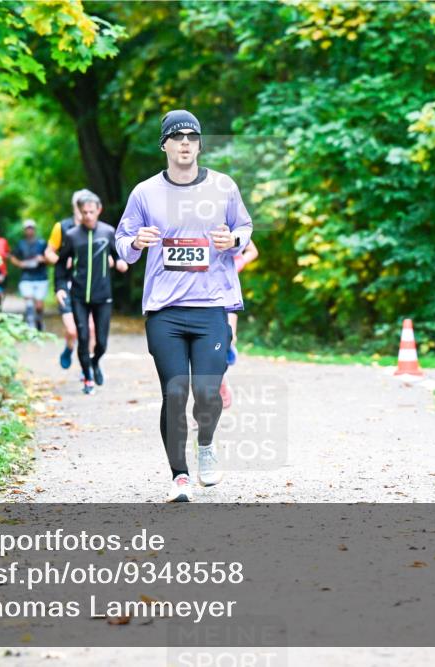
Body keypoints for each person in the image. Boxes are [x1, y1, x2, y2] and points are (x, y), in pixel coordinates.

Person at [115, 109, 252, 502]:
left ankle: (205, 444)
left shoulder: (224, 187)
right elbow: (123, 245)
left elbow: (244, 228)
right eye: (177, 138)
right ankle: (179, 476)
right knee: (175, 392)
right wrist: (138, 241)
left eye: (192, 137)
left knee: (206, 393)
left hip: (211, 306)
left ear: (200, 144)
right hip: (165, 310)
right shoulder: (144, 193)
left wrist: (234, 241)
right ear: (165, 145)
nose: (186, 143)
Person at [55, 192, 127, 395]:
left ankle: (95, 363)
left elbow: (117, 255)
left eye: (91, 212)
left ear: (99, 210)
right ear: (79, 211)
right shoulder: (71, 236)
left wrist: (121, 263)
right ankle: (87, 377)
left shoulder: (107, 232)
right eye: (84, 212)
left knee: (102, 342)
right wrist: (60, 288)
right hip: (78, 296)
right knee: (83, 337)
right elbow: (61, 266)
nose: (87, 216)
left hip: (103, 296)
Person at [46, 190, 100, 369]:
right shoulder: (62, 227)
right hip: (67, 285)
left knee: (91, 329)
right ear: (75, 207)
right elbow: (48, 253)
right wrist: (63, 262)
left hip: (90, 285)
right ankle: (69, 348)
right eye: (81, 206)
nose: (85, 210)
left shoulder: (98, 229)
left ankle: (89, 369)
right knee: (73, 330)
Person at [219, 239, 258, 408]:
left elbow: (253, 250)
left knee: (228, 339)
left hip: (228, 299)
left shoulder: (233, 227)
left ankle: (221, 373)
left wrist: (239, 262)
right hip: (200, 296)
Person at [11, 219, 48, 331]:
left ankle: (39, 320)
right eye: (27, 228)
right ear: (24, 230)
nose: (29, 230)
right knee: (29, 301)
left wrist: (43, 259)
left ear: (34, 229)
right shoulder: (21, 244)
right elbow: (12, 256)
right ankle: (30, 323)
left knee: (39, 305)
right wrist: (20, 264)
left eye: (31, 228)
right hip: (26, 277)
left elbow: (51, 257)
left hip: (41, 277)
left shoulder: (42, 243)